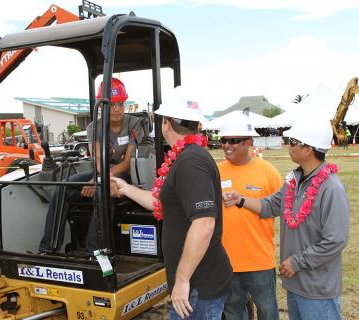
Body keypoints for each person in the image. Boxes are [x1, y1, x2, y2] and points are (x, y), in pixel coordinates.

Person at [110, 86, 232, 320]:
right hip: (194, 286)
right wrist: (124, 187)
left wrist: (183, 280)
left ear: (166, 123)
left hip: (198, 286)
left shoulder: (190, 162)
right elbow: (159, 202)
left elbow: (204, 224)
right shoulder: (184, 157)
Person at [223, 118, 350, 320]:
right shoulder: (294, 181)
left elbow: (336, 240)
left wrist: (298, 262)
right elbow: (270, 206)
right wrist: (240, 200)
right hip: (295, 283)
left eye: (292, 141)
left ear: (308, 148)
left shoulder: (331, 188)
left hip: (317, 289)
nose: (287, 146)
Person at [39, 78, 143, 255]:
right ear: (102, 106)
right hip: (102, 172)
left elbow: (126, 164)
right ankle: (48, 249)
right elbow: (99, 162)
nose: (117, 109)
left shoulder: (135, 124)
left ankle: (94, 254)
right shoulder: (94, 127)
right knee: (61, 189)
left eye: (121, 104)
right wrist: (99, 178)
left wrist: (100, 180)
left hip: (128, 175)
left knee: (103, 191)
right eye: (112, 105)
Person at [217, 113, 282, 320]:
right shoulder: (214, 172)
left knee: (267, 312)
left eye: (233, 141)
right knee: (233, 313)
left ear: (249, 143)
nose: (227, 145)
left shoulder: (268, 172)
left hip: (259, 261)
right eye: (224, 140)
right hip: (226, 261)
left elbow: (281, 208)